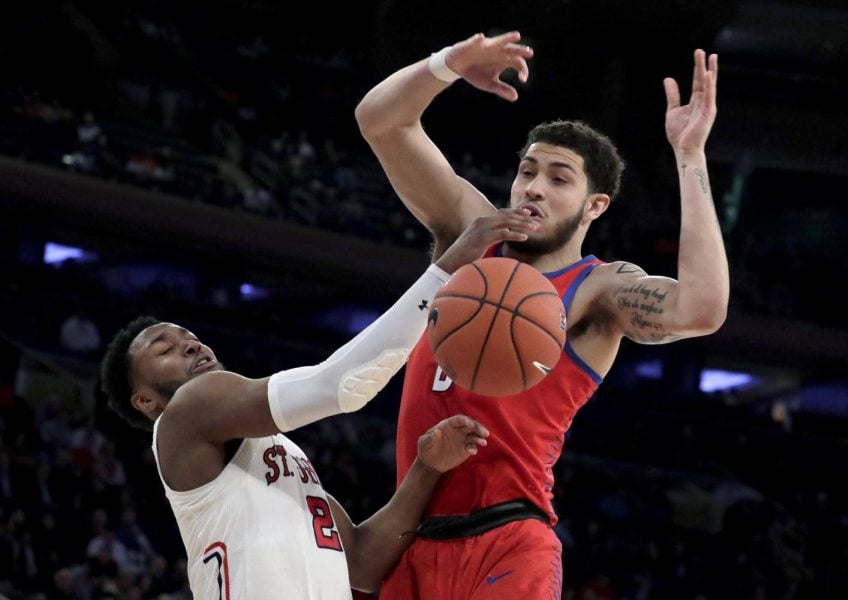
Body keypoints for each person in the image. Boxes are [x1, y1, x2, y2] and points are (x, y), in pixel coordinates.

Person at [355, 31, 729, 598]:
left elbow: (701, 310)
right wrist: (446, 64)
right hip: (409, 538)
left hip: (508, 538)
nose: (533, 188)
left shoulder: (600, 289)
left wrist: (690, 156)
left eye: (559, 179)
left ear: (594, 205)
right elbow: (380, 122)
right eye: (527, 171)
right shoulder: (470, 234)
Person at [98, 211, 542, 599]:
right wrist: (446, 272)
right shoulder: (187, 410)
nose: (190, 345)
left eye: (189, 336)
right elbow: (340, 384)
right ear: (146, 400)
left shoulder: (279, 453)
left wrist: (426, 470)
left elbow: (363, 565)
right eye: (165, 348)